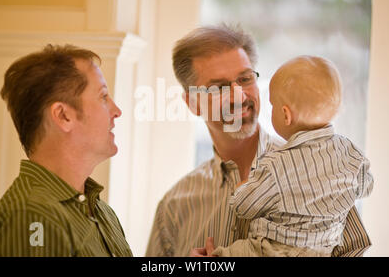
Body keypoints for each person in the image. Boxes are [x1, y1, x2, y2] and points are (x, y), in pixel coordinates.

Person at [145, 24, 372, 257]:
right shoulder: (173, 208)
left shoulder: (322, 172)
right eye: (220, 87)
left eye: (245, 79)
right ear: (193, 103)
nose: (239, 96)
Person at [0, 44, 132, 257]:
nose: (117, 111)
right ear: (63, 115)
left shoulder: (102, 213)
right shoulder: (33, 217)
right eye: (103, 97)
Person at [212, 55, 374, 257]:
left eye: (272, 106)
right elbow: (366, 186)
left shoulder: (276, 164)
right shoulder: (349, 152)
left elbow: (244, 207)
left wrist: (242, 187)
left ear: (286, 115)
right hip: (323, 251)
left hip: (276, 251)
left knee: (239, 253)